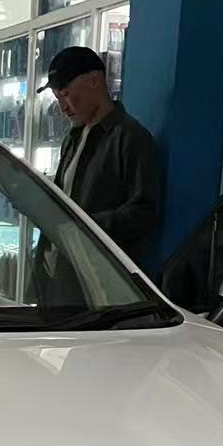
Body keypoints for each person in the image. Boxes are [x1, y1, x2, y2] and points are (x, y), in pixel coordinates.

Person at [36, 45, 161, 277]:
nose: (62, 107)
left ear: (94, 80)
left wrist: (84, 228)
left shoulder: (130, 137)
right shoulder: (72, 138)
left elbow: (143, 213)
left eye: (65, 95)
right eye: (57, 98)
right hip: (57, 274)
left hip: (95, 281)